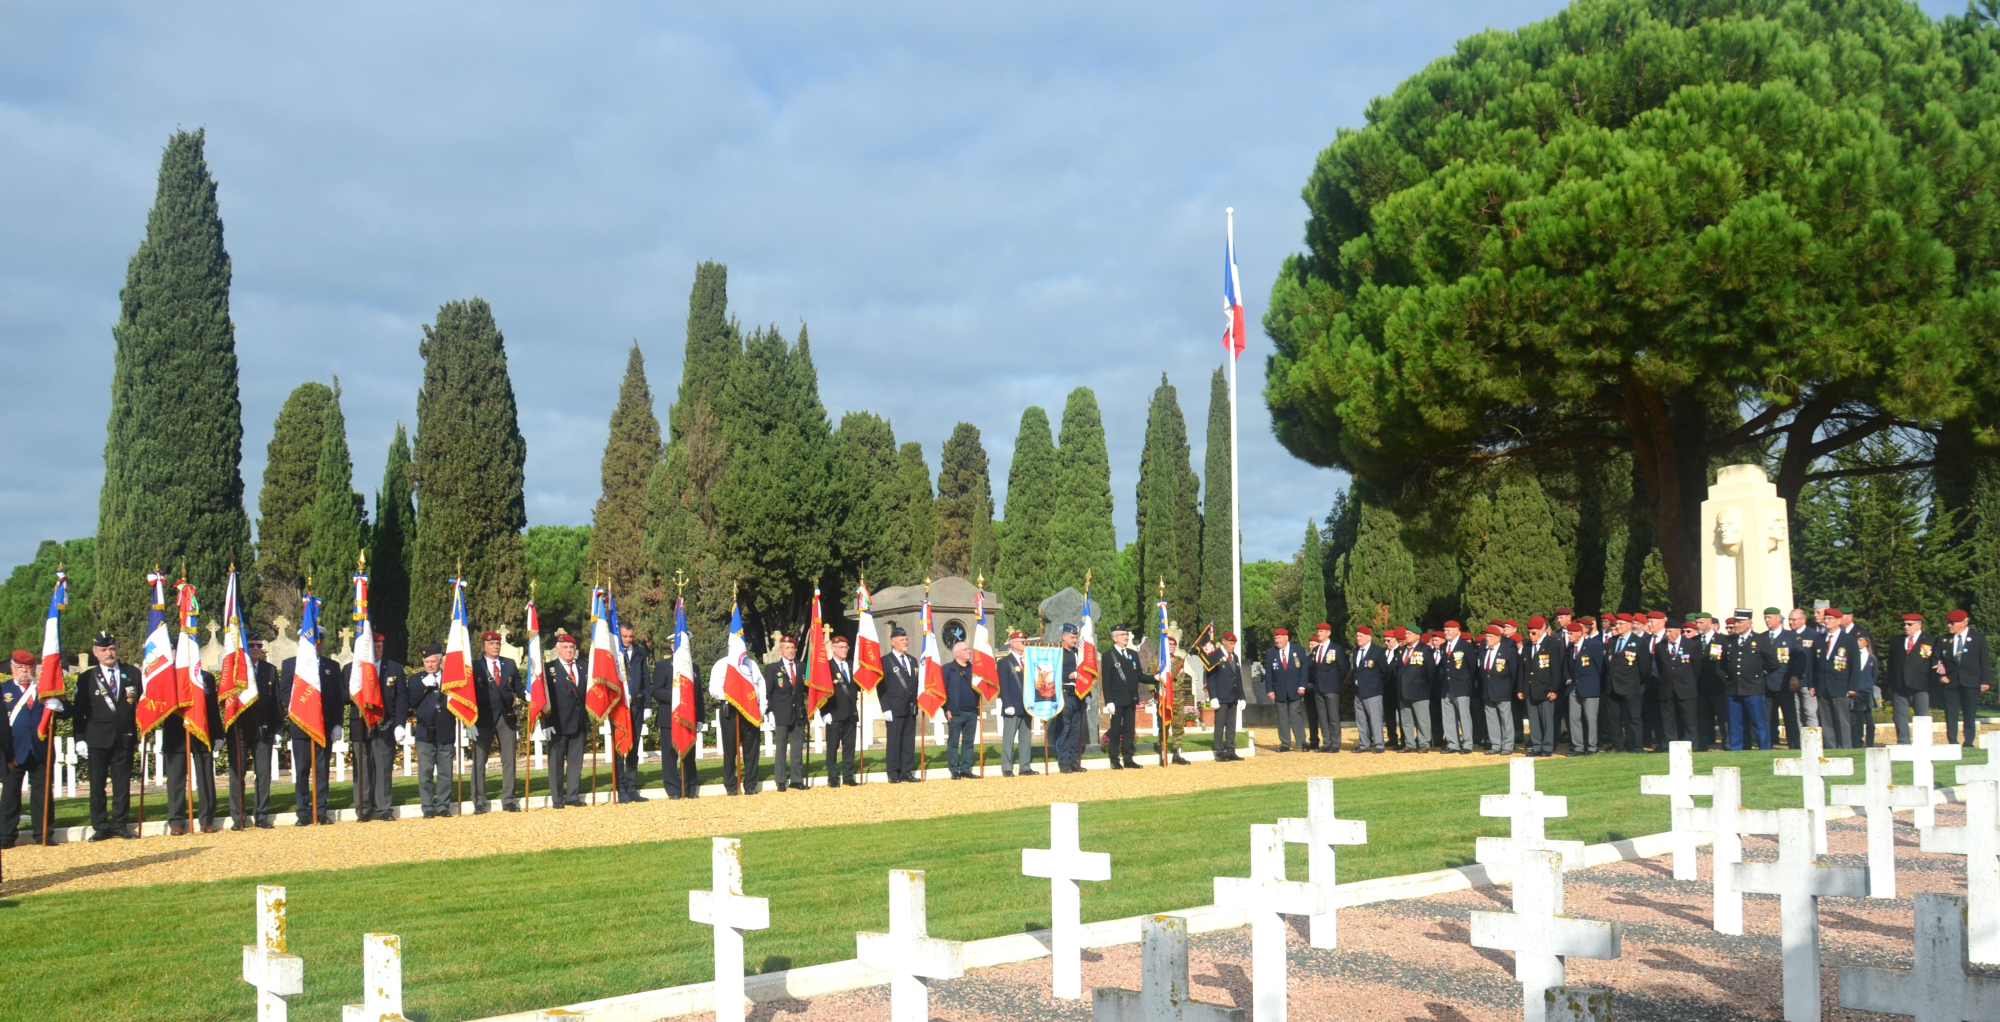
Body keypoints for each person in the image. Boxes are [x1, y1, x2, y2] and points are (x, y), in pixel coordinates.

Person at [70, 632, 142, 839]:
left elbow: (144, 704)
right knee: (97, 785)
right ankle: (100, 826)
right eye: (103, 650)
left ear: (117, 649)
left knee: (122, 784)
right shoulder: (86, 678)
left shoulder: (132, 673)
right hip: (97, 738)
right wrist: (80, 739)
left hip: (124, 736)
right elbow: (79, 712)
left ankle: (120, 824)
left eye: (112, 649)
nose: (108, 653)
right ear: (95, 653)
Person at [277, 641, 346, 826]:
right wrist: (301, 709)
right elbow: (284, 692)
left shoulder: (331, 666)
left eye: (320, 643)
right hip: (300, 726)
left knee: (322, 771)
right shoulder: (290, 664)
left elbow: (338, 697)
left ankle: (321, 810)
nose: (317, 647)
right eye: (313, 643)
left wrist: (338, 723)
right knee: (301, 771)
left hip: (324, 727)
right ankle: (303, 812)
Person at [1, 649, 56, 847]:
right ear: (12, 668)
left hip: (39, 748)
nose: (25, 670)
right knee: (10, 795)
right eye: (20, 667)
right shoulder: (3, 689)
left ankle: (43, 834)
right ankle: (6, 836)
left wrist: (59, 703)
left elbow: (65, 713)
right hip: (13, 751)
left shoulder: (45, 689)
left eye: (29, 667)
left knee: (42, 794)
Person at [351, 632, 406, 822]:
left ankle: (384, 808)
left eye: (380, 647)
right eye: (373, 647)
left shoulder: (395, 668)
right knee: (362, 768)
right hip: (360, 725)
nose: (377, 650)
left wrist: (400, 724)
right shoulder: (352, 669)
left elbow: (401, 699)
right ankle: (364, 807)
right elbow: (343, 697)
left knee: (383, 768)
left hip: (385, 725)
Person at [161, 666, 221, 834]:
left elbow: (212, 708)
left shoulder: (206, 677)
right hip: (176, 734)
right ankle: (176, 821)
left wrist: (218, 734)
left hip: (202, 731)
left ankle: (207, 819)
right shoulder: (167, 677)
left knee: (206, 778)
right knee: (175, 780)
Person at [402, 644, 458, 817]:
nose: (430, 665)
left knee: (445, 773)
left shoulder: (451, 678)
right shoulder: (416, 679)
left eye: (433, 661)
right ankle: (427, 807)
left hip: (445, 730)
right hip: (425, 731)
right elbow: (411, 702)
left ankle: (443, 806)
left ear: (440, 660)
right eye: (427, 662)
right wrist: (423, 686)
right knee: (425, 773)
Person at [470, 631, 519, 812]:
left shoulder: (509, 664)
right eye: (491, 644)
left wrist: (528, 695)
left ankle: (509, 799)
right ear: (483, 646)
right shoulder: (475, 666)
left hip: (506, 718)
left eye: (498, 643)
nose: (496, 646)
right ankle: (479, 801)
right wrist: (469, 720)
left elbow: (517, 686)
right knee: (479, 761)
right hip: (483, 719)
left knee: (509, 760)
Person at [540, 631, 589, 806]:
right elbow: (542, 698)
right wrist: (545, 722)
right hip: (557, 724)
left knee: (576, 762)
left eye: (572, 647)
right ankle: (557, 798)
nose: (569, 650)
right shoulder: (547, 669)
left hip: (578, 722)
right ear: (557, 648)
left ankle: (573, 796)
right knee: (556, 763)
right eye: (565, 647)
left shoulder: (584, 667)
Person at [652, 643, 705, 798]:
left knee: (689, 753)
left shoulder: (694, 668)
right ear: (671, 646)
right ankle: (673, 789)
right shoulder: (663, 665)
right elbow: (657, 691)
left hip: (689, 717)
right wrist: (677, 697)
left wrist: (700, 718)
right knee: (669, 755)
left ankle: (690, 788)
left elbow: (698, 695)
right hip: (669, 717)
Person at [1938, 609, 1991, 747]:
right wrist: (1941, 675)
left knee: (1969, 712)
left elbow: (1984, 660)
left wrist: (1985, 681)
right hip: (1950, 682)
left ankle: (1968, 741)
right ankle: (1953, 741)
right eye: (1948, 623)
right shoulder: (1944, 639)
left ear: (1963, 623)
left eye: (1952, 623)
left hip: (1971, 681)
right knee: (1951, 713)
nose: (1949, 625)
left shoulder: (1978, 638)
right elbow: (1936, 660)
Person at [1723, 610, 1774, 750]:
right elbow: (1723, 663)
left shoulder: (1760, 640)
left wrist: (1758, 674)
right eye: (1735, 622)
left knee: (1759, 722)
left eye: (1739, 622)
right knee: (1735, 722)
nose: (1736, 625)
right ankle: (1736, 750)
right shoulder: (1729, 640)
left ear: (1749, 623)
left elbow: (1773, 663)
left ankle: (1765, 749)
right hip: (1733, 688)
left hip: (1753, 688)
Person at [766, 633, 809, 792]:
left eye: (792, 648)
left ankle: (797, 779)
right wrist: (769, 712)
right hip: (780, 712)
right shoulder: (772, 669)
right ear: (780, 651)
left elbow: (807, 689)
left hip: (798, 712)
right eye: (787, 648)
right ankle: (781, 780)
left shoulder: (802, 666)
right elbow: (768, 692)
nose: (791, 651)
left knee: (798, 747)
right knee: (781, 747)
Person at [1761, 607, 1809, 749]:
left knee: (1790, 716)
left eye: (1770, 617)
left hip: (1785, 682)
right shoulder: (1762, 637)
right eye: (1765, 617)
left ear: (1778, 618)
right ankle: (1768, 744)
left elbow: (1801, 657)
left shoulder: (1791, 637)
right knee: (1767, 716)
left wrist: (1795, 676)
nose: (1767, 620)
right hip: (1766, 683)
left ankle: (1794, 743)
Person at [1603, 614, 1651, 753]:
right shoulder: (1612, 641)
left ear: (1630, 625)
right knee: (1613, 719)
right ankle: (1617, 746)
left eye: (1621, 624)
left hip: (1630, 686)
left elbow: (1645, 669)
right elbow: (1608, 663)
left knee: (1633, 718)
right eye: (1617, 624)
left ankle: (1635, 746)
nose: (1617, 626)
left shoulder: (1639, 642)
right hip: (1612, 687)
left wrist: (1635, 682)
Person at [879, 624, 921, 782]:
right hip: (894, 708)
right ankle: (893, 772)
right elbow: (881, 687)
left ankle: (906, 771)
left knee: (908, 741)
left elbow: (915, 684)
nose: (905, 642)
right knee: (894, 741)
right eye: (902, 639)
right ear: (893, 641)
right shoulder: (885, 661)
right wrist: (886, 708)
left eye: (907, 639)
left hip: (910, 707)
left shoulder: (912, 660)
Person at [1100, 624, 1145, 769]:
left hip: (1131, 698)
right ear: (1115, 638)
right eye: (1122, 634)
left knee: (1129, 729)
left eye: (1126, 634)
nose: (1126, 637)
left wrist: (1156, 678)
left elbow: (1139, 676)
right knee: (1115, 729)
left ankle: (1128, 758)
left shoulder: (1133, 654)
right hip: (1117, 700)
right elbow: (1105, 681)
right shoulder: (1108, 655)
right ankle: (1114, 759)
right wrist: (1109, 701)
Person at [615, 622, 650, 803]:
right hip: (619, 708)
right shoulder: (614, 653)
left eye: (630, 636)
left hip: (637, 706)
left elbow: (645, 680)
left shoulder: (639, 653)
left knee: (634, 749)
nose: (628, 640)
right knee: (620, 748)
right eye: (624, 637)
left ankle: (632, 787)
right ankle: (620, 788)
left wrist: (648, 705)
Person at [1815, 609, 1858, 749]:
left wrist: (1852, 687)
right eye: (1825, 618)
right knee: (1826, 721)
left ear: (1839, 621)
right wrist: (1812, 684)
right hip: (1822, 686)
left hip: (1840, 686)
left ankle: (1845, 748)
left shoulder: (1849, 640)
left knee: (1842, 720)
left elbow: (1854, 665)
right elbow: (1813, 664)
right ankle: (1831, 748)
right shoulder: (1819, 639)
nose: (1826, 621)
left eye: (1830, 618)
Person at [1518, 617, 1561, 757]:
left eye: (1533, 633)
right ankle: (1536, 745)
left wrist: (1554, 689)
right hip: (1530, 688)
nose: (1530, 636)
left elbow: (1556, 669)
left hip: (1545, 688)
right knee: (1534, 720)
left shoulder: (1552, 645)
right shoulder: (1527, 646)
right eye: (1529, 633)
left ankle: (1547, 746)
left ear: (1543, 630)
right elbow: (1523, 670)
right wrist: (1520, 688)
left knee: (1547, 719)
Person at [995, 630, 1035, 775]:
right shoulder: (1004, 662)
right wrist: (1007, 704)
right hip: (1012, 705)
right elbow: (1003, 685)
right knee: (1009, 739)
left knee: (1026, 738)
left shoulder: (1029, 660)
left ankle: (1025, 766)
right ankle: (1007, 767)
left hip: (1027, 705)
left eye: (1025, 641)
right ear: (1012, 643)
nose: (1024, 643)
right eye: (1021, 641)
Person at [823, 634, 860, 786]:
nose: (845, 650)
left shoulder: (852, 665)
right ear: (833, 649)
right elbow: (822, 691)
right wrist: (824, 712)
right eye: (841, 647)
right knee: (832, 747)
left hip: (851, 713)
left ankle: (848, 775)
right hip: (834, 713)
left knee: (849, 746)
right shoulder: (826, 667)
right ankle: (832, 777)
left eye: (846, 647)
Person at [940, 640, 980, 779]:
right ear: (957, 653)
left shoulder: (975, 670)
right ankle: (954, 769)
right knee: (953, 742)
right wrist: (946, 709)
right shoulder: (947, 669)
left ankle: (965, 768)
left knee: (969, 742)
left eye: (969, 649)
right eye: (965, 649)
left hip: (972, 712)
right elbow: (942, 690)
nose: (969, 651)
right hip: (955, 712)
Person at [1264, 627, 1308, 752]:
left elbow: (1304, 670)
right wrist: (1270, 690)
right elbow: (1269, 673)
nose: (1277, 641)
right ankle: (1285, 743)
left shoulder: (1298, 650)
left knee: (1295, 715)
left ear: (1286, 637)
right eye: (1275, 638)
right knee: (1282, 717)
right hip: (1279, 690)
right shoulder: (1271, 652)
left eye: (1279, 638)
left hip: (1295, 690)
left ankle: (1302, 742)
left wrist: (1302, 686)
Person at [1564, 618, 1603, 756]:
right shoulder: (1570, 649)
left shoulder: (1593, 645)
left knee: (1590, 718)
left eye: (1571, 633)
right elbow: (1567, 666)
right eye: (1568, 633)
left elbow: (1600, 666)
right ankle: (1578, 747)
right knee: (1574, 717)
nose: (1569, 636)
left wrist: (1597, 684)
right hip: (1574, 687)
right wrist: (1568, 678)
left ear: (1580, 633)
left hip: (1590, 687)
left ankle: (1592, 746)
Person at [1476, 624, 1516, 755]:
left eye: (1490, 637)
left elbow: (1513, 672)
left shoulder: (1507, 651)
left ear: (1499, 637)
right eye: (1486, 636)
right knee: (1491, 718)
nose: (1487, 639)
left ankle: (1508, 745)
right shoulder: (1484, 651)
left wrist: (1512, 688)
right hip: (1487, 690)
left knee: (1506, 719)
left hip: (1503, 689)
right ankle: (1495, 744)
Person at [1307, 622, 1347, 754]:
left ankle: (1335, 743)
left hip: (1331, 687)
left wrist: (1335, 682)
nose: (1319, 633)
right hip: (1318, 688)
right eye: (1318, 631)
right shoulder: (1317, 650)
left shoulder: (1336, 648)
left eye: (1321, 632)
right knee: (1322, 717)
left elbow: (1343, 668)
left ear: (1328, 633)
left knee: (1333, 716)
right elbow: (1314, 668)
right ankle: (1327, 742)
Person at [1395, 627, 1436, 752]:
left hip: (1419, 689)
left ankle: (1424, 743)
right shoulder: (1402, 650)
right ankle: (1409, 743)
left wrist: (1426, 686)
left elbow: (1431, 671)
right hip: (1403, 689)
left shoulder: (1425, 649)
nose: (1406, 636)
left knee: (1422, 719)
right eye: (1406, 633)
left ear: (1418, 636)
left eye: (1409, 633)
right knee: (1406, 719)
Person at [1349, 626, 1389, 754]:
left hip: (1373, 690)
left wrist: (1376, 683)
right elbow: (1355, 670)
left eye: (1360, 636)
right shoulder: (1356, 651)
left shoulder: (1377, 651)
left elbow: (1385, 671)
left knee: (1375, 718)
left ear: (1368, 637)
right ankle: (1364, 744)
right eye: (1357, 636)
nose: (1358, 638)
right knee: (1361, 719)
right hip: (1358, 690)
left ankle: (1378, 744)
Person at [1053, 624, 1087, 772]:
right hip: (1064, 693)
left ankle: (1074, 760)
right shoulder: (1056, 652)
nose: (1074, 640)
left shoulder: (1077, 653)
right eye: (1072, 637)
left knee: (1076, 730)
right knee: (1064, 729)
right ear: (1064, 636)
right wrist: (1069, 676)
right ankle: (1064, 761)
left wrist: (1087, 695)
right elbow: (1050, 673)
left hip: (1078, 694)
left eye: (1076, 637)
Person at [1693, 613, 1728, 751]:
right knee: (1702, 717)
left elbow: (1726, 662)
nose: (1698, 625)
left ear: (1709, 623)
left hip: (1717, 685)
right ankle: (1703, 744)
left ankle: (1727, 742)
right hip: (1700, 685)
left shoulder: (1722, 640)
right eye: (1697, 623)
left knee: (1722, 716)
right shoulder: (1694, 641)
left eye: (1701, 623)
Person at [1208, 632, 1244, 761]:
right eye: (1230, 643)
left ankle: (1230, 749)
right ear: (1223, 641)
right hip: (1221, 696)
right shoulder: (1215, 656)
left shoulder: (1234, 656)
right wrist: (1213, 696)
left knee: (1231, 724)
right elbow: (1211, 678)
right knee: (1220, 724)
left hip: (1232, 696)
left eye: (1234, 644)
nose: (1233, 646)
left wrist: (1242, 697)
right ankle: (1219, 751)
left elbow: (1237, 677)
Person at [1851, 630, 1879, 748]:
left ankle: (1870, 743)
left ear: (1866, 642)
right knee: (1857, 720)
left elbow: (1874, 675)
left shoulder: (1872, 659)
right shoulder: (1853, 656)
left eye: (1860, 640)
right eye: (1857, 640)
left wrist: (1867, 686)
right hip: (1855, 691)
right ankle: (1857, 742)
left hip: (1866, 692)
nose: (1858, 642)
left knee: (1869, 721)